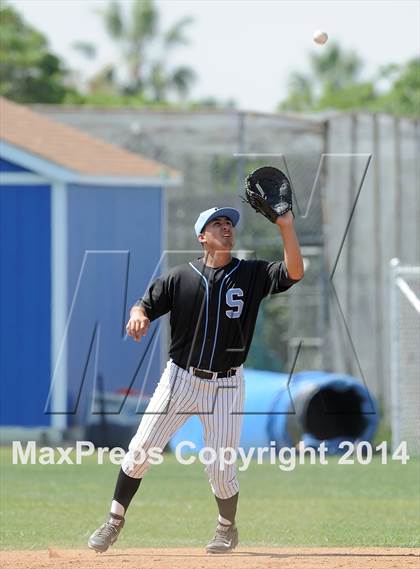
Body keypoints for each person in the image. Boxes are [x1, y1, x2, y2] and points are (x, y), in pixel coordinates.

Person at [88, 205, 304, 554]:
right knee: (141, 450)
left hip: (227, 385)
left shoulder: (251, 274)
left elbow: (294, 272)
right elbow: (142, 305)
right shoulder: (180, 277)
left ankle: (226, 528)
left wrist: (286, 227)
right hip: (181, 379)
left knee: (220, 468)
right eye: (217, 224)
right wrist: (138, 316)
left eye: (229, 223)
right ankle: (113, 520)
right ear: (202, 237)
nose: (226, 228)